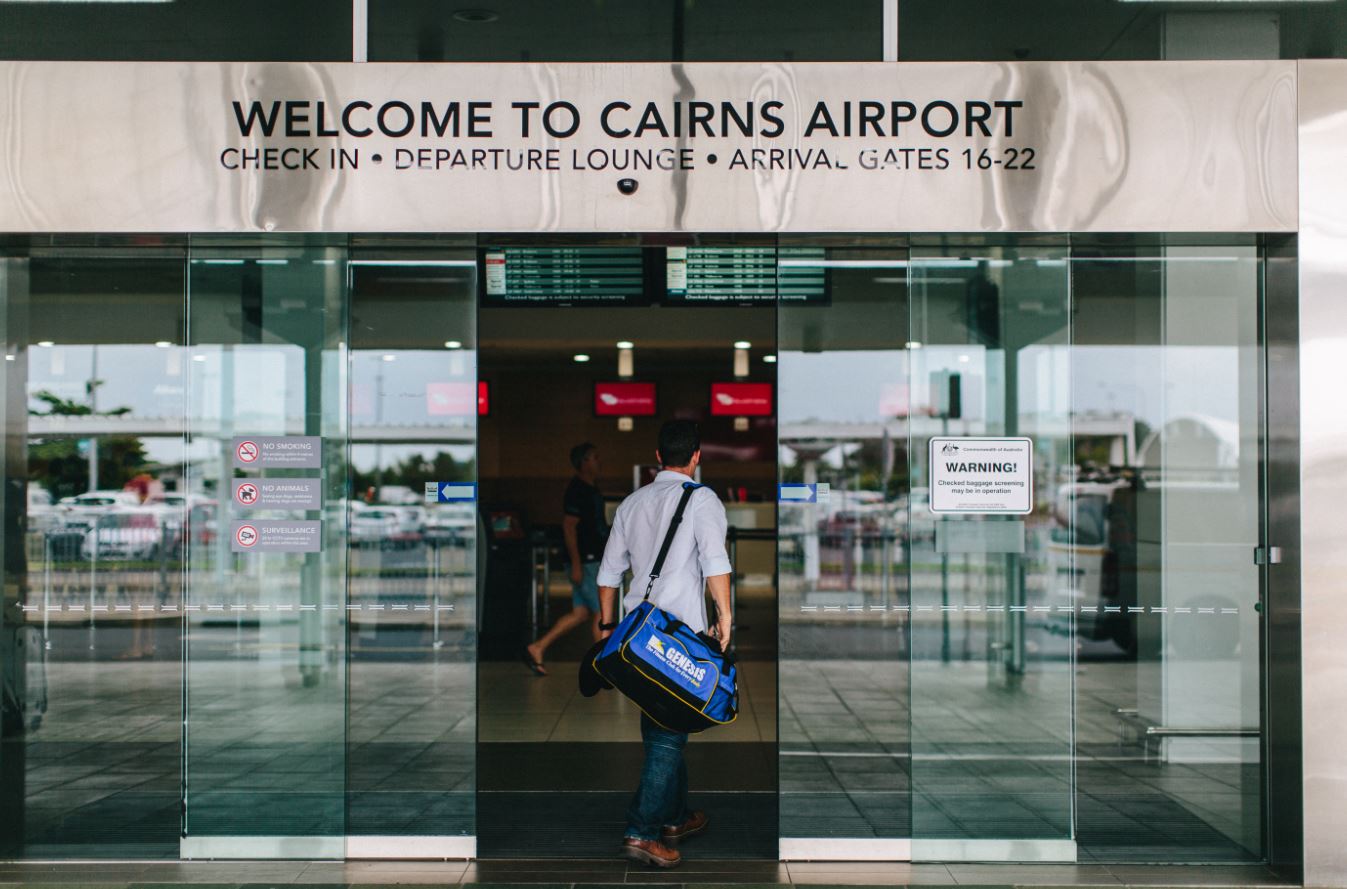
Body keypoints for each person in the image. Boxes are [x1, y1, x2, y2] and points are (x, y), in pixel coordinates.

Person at [596, 420, 732, 869]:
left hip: (636, 637)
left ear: (658, 456)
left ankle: (676, 816)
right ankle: (642, 829)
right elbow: (714, 562)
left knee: (663, 720)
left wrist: (604, 625)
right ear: (696, 456)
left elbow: (609, 574)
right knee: (667, 737)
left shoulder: (631, 503)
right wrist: (725, 616)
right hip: (677, 638)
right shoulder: (702, 499)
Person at [523, 442, 608, 676]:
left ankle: (537, 647)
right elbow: (569, 527)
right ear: (583, 463)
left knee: (580, 613)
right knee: (602, 612)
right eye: (594, 458)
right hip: (587, 562)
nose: (599, 461)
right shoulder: (577, 490)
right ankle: (601, 666)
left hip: (590, 561)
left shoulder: (591, 489)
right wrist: (577, 564)